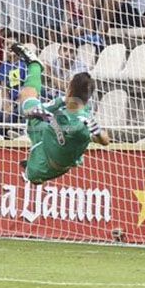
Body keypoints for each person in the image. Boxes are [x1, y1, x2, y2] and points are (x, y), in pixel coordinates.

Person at [9, 43, 110, 184]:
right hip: (47, 135)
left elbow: (105, 141)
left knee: (33, 178)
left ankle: (33, 173)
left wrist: (98, 132)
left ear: (69, 90)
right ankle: (34, 64)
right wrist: (38, 112)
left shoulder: (81, 123)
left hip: (48, 165)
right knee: (27, 100)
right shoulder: (65, 102)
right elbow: (29, 112)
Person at [0, 45, 26, 124]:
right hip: (10, 101)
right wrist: (6, 106)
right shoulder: (3, 66)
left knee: (11, 118)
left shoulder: (25, 65)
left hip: (23, 101)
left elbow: (27, 89)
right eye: (7, 44)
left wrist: (13, 106)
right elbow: (4, 89)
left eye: (12, 44)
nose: (9, 47)